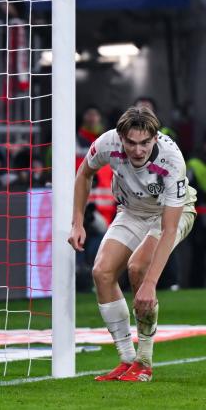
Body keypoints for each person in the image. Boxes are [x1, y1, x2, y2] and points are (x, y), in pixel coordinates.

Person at [68, 106, 196, 382]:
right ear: (120, 137)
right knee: (102, 273)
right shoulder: (106, 142)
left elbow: (170, 228)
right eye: (131, 143)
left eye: (145, 143)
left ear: (155, 138)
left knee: (138, 268)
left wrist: (150, 282)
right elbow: (83, 174)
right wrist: (77, 222)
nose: (138, 150)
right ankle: (127, 360)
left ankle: (145, 361)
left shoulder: (172, 160)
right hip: (132, 211)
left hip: (172, 213)